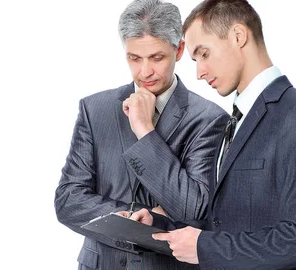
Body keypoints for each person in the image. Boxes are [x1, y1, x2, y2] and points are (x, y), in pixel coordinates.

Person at [126, 0, 296, 269]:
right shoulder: (233, 121)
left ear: (238, 36)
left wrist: (204, 247)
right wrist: (161, 224)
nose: (199, 72)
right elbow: (224, 220)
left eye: (204, 54)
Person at [54, 0, 229, 269]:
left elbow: (195, 211)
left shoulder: (210, 120)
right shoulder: (94, 109)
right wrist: (135, 218)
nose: (145, 71)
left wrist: (144, 130)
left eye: (156, 58)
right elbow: (68, 200)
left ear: (179, 50)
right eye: (134, 58)